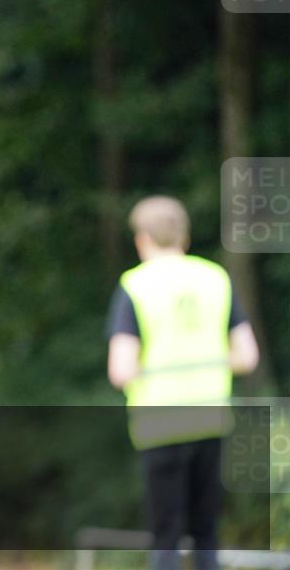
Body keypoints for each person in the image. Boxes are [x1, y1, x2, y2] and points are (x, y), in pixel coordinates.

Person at [106, 195, 259, 570]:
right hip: (210, 419)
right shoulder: (215, 278)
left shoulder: (134, 285)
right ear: (184, 237)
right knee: (207, 532)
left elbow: (121, 370)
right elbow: (247, 356)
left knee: (166, 535)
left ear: (142, 239)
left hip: (159, 424)